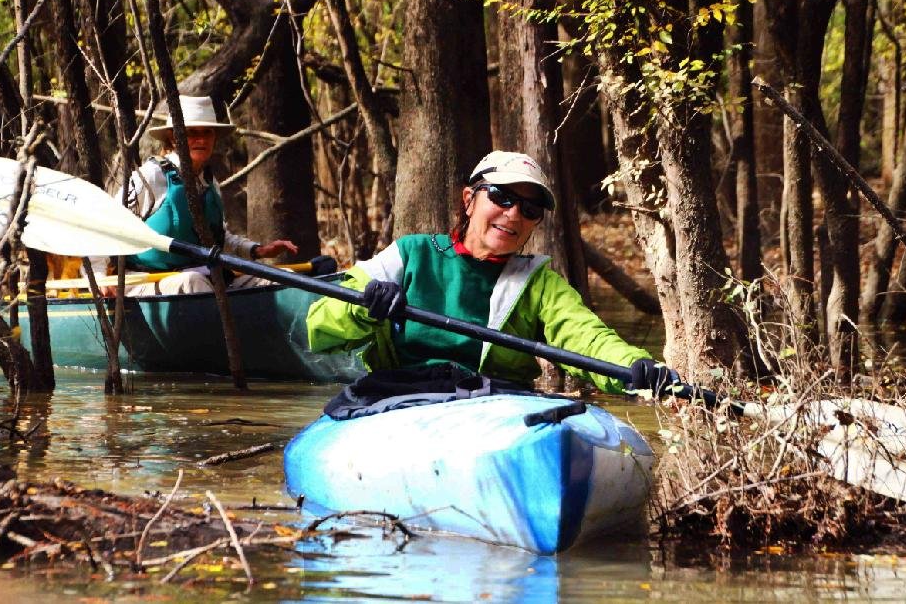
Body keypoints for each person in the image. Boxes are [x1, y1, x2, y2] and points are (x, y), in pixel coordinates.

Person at [306, 150, 675, 395]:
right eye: (501, 196)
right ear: (470, 200)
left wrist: (635, 368)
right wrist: (363, 305)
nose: (514, 214)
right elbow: (320, 325)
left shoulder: (538, 282)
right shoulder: (409, 254)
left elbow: (586, 338)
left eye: (530, 209)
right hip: (403, 398)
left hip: (496, 405)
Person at [89, 95, 298, 296]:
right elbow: (106, 225)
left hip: (204, 280)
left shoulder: (209, 182)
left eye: (207, 132)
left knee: (283, 277)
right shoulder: (151, 176)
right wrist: (99, 277)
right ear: (173, 136)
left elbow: (218, 239)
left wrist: (257, 251)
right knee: (191, 282)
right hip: (148, 280)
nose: (201, 139)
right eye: (191, 132)